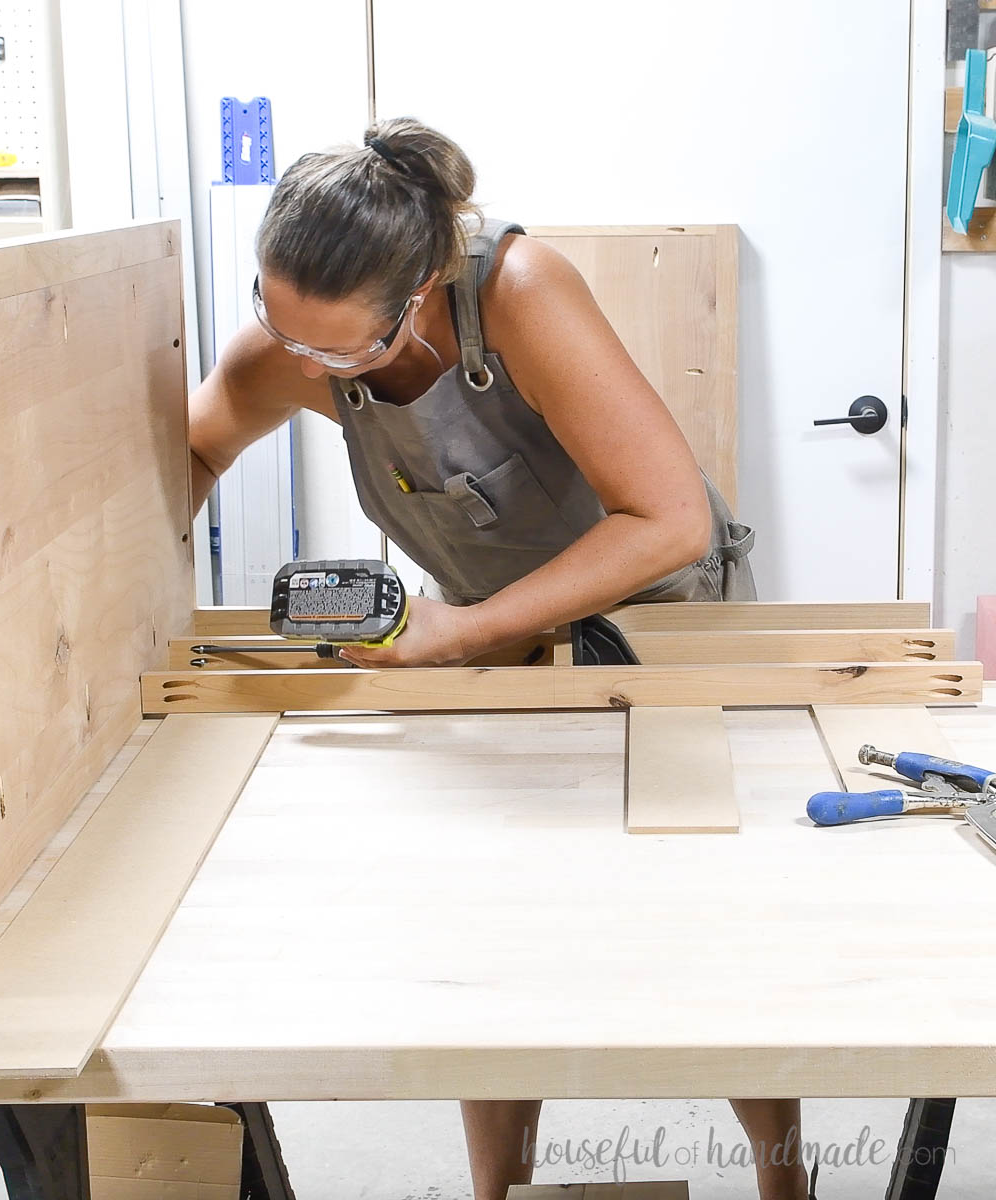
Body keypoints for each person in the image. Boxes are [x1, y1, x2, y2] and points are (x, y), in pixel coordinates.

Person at [187, 117, 812, 1200]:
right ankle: (497, 1192)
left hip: (652, 616)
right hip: (485, 631)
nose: (299, 365)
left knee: (705, 923)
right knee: (491, 929)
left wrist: (460, 634)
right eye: (276, 324)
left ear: (425, 286)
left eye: (336, 350)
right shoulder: (299, 345)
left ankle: (783, 1181)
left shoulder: (520, 289)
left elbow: (669, 523)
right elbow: (191, 450)